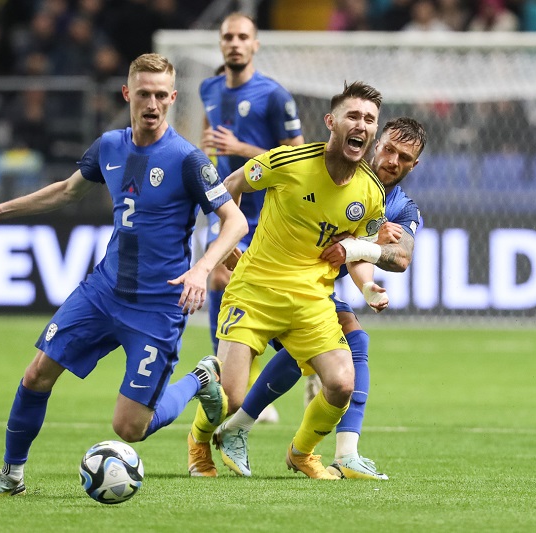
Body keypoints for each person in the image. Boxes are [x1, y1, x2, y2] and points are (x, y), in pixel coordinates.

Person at [0, 53, 248, 497]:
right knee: (37, 374)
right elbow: (65, 191)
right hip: (102, 292)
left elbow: (235, 221)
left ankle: (200, 379)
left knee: (130, 428)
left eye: (161, 95)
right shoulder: (109, 146)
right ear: (127, 93)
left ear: (173, 98)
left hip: (157, 307)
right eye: (144, 93)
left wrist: (201, 268)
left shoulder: (187, 160)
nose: (152, 103)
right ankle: (12, 475)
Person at [187, 81, 390, 480]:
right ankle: (198, 443)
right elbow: (231, 186)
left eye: (369, 119)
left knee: (341, 384)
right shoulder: (288, 161)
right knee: (230, 398)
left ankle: (302, 453)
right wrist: (227, 241)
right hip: (255, 290)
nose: (361, 125)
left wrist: (367, 286)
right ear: (331, 122)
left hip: (311, 301)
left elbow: (360, 250)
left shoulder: (371, 193)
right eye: (352, 115)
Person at [212, 117, 426, 480]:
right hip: (273, 279)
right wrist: (226, 245)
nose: (393, 161)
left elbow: (401, 256)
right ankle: (336, 452)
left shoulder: (402, 208)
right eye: (389, 149)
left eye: (404, 157)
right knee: (349, 341)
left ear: (414, 164)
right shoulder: (334, 169)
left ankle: (257, 432)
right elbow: (258, 179)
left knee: (323, 352)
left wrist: (361, 262)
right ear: (377, 144)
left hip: (314, 292)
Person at [199, 12, 305, 423]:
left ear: (255, 44)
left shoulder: (275, 96)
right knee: (219, 278)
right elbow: (209, 139)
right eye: (228, 36)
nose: (235, 43)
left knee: (268, 299)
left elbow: (298, 158)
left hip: (271, 217)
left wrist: (241, 148)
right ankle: (225, 379)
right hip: (230, 210)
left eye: (243, 36)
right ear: (221, 43)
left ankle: (302, 364)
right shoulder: (208, 88)